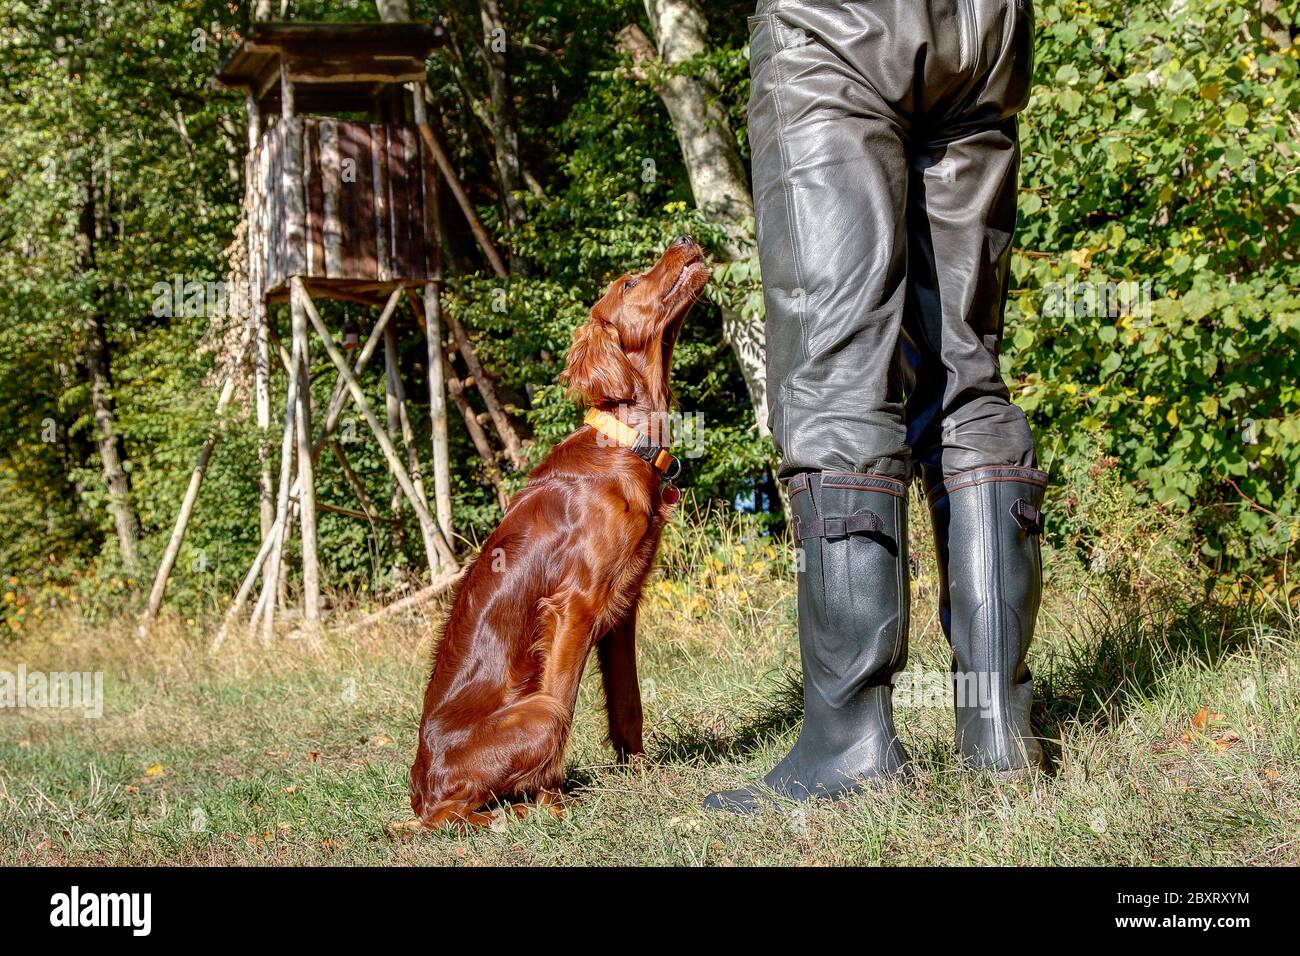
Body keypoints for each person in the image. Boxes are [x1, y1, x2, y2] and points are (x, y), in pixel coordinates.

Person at [707, 0, 1048, 811]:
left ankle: (849, 743)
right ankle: (996, 725)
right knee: (965, 365)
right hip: (986, 27)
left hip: (837, 24)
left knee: (836, 373)